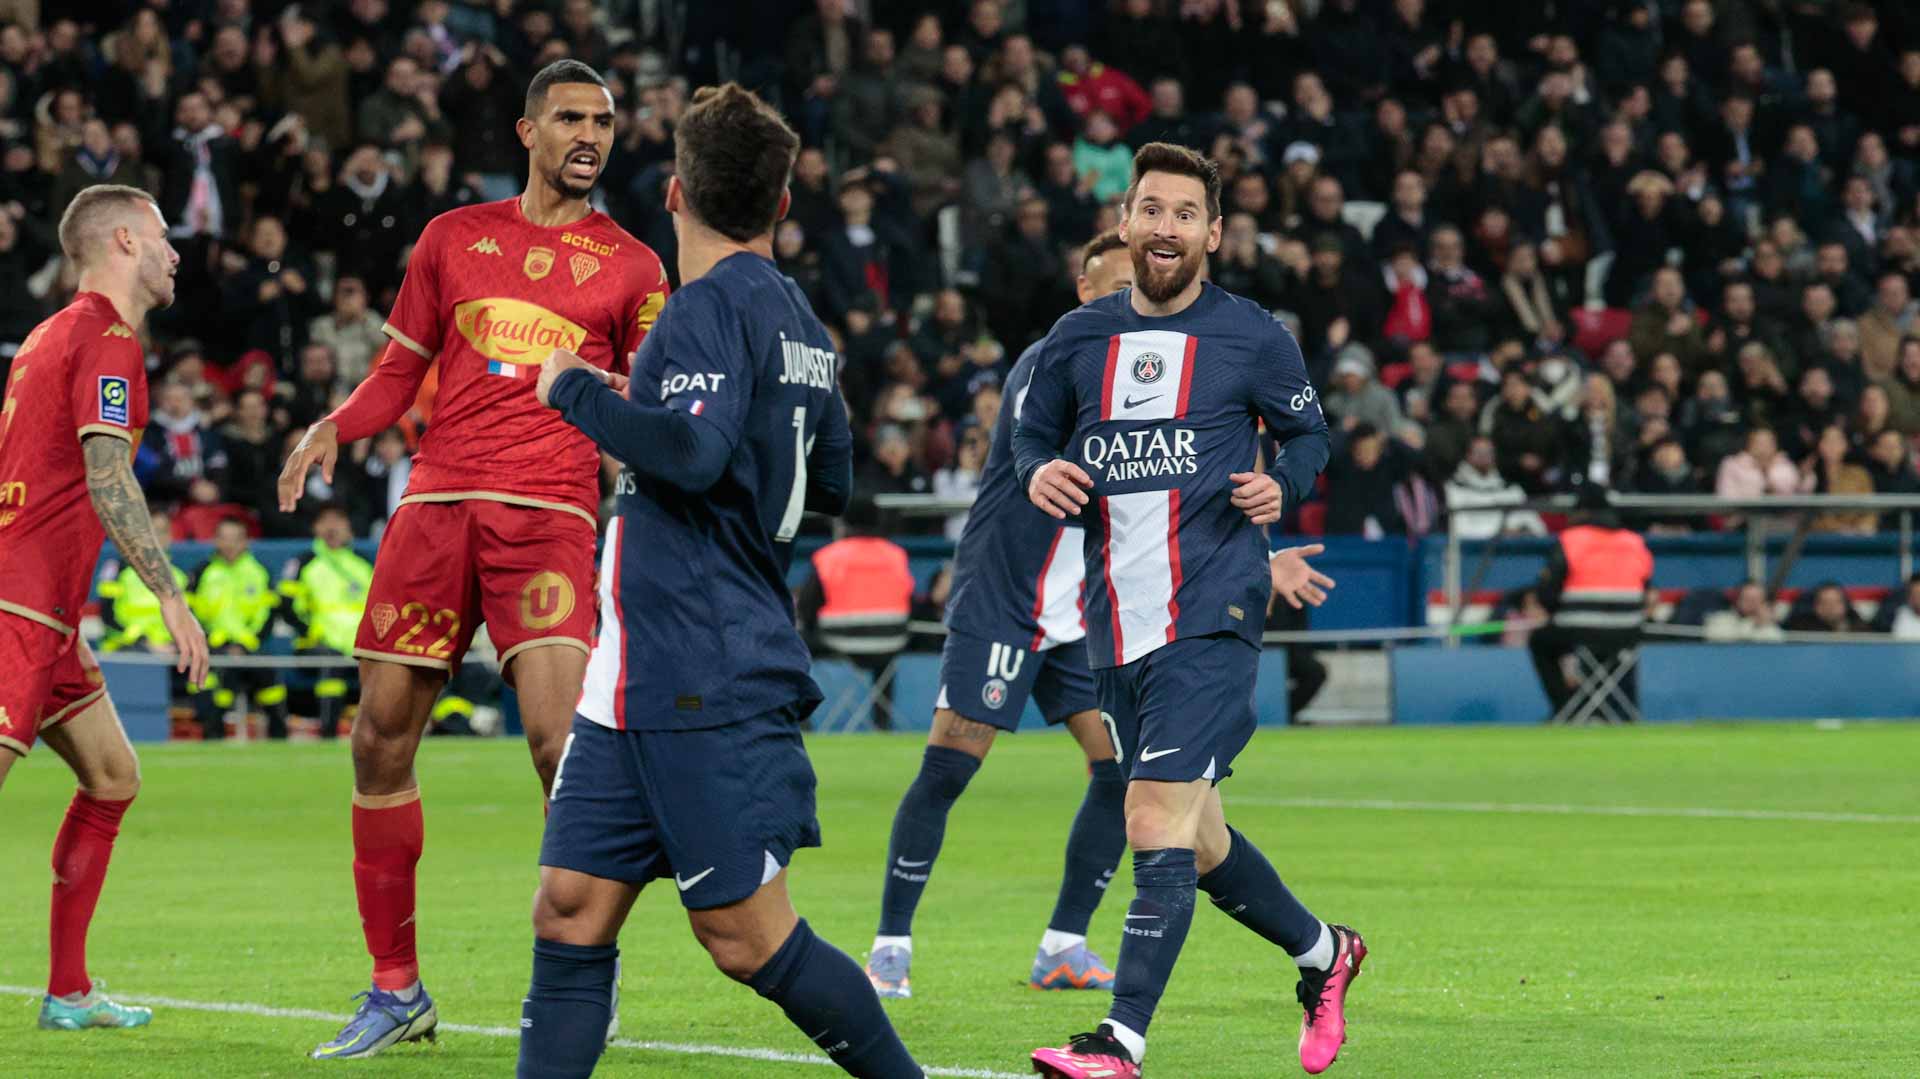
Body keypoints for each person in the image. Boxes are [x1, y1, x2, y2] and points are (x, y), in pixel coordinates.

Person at [519, 82, 922, 1079]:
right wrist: (655, 412)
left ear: (675, 193)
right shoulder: (802, 322)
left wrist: (575, 389)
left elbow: (694, 456)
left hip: (701, 663)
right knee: (570, 908)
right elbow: (830, 479)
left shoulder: (702, 307)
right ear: (782, 202)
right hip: (636, 675)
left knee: (745, 934)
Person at [279, 60, 670, 1061]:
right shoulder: (452, 237)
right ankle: (395, 988)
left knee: (559, 746)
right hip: (437, 503)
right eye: (571, 118)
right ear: (528, 131)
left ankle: (585, 967)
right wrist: (335, 424)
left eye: (605, 122)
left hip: (548, 513)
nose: (591, 136)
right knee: (377, 739)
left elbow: (654, 400)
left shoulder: (634, 267)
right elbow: (397, 369)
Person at [865, 228, 1328, 1000]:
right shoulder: (1054, 360)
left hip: (1086, 607)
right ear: (1085, 292)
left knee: (1119, 772)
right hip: (1007, 596)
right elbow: (1104, 456)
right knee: (950, 764)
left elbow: (1172, 484)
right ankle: (890, 946)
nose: (1132, 305)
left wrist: (1256, 554)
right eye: (1115, 289)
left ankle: (1063, 944)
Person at [1014, 143, 1360, 1079]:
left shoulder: (1253, 336)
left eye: (1184, 213)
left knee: (1152, 814)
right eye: (1151, 209)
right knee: (1199, 839)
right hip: (1116, 622)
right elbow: (1032, 435)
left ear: (1213, 233)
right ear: (1126, 221)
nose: (1165, 227)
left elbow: (1309, 435)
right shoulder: (1077, 338)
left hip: (1214, 607)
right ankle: (1325, 951)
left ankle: (1118, 1040)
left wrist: (1282, 484)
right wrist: (1037, 470)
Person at [0, 183, 210, 1030]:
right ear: (123, 240)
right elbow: (106, 471)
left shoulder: (47, 333)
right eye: (161, 236)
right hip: (18, 606)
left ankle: (69, 990)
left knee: (114, 775)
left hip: (45, 615)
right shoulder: (107, 337)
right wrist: (170, 594)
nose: (174, 252)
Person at [1528, 485, 1654, 719]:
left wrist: (1554, 612)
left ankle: (1566, 709)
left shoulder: (1570, 540)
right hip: (1628, 632)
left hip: (1579, 630)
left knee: (1540, 642)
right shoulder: (1634, 541)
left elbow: (1547, 592)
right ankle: (1623, 712)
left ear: (1581, 511)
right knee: (1616, 656)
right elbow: (1646, 588)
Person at [795, 497, 915, 730]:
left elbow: (807, 608)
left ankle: (802, 720)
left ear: (843, 522)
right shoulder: (897, 555)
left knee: (793, 644)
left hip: (837, 641)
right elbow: (909, 602)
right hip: (891, 641)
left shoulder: (828, 557)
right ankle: (882, 722)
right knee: (883, 652)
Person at [277, 504, 373, 740]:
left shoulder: (364, 563)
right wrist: (309, 632)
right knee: (331, 660)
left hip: (360, 643)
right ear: (315, 528)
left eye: (338, 521)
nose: (332, 527)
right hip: (315, 643)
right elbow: (285, 606)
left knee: (388, 664)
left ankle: (380, 733)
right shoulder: (303, 563)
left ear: (349, 528)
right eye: (325, 521)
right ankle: (328, 733)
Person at [187, 516, 286, 740]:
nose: (230, 544)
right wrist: (215, 641)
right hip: (212, 647)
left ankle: (279, 735)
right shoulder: (201, 572)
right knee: (220, 674)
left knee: (268, 675)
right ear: (215, 540)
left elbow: (268, 616)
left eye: (236, 538)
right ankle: (213, 734)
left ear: (246, 541)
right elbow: (189, 614)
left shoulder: (260, 572)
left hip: (250, 646)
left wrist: (244, 644)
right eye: (225, 538)